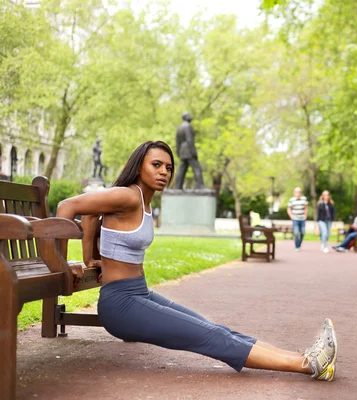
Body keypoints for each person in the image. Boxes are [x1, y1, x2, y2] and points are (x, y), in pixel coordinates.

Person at [56, 141, 338, 381]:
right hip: (121, 304)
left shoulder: (143, 200)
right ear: (139, 165)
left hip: (138, 293)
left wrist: (91, 256)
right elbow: (67, 207)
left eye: (168, 167)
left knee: (216, 329)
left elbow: (92, 214)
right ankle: (308, 365)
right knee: (210, 338)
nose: (164, 172)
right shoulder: (128, 195)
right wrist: (64, 262)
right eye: (156, 165)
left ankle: (304, 357)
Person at [174, 112, 205, 189]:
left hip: (182, 151)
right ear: (186, 117)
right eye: (189, 115)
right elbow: (189, 140)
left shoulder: (179, 127)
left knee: (181, 170)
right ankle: (200, 187)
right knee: (197, 168)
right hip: (189, 151)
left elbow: (177, 142)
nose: (191, 116)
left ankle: (177, 187)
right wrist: (193, 152)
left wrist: (178, 152)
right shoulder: (188, 126)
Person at [287, 187, 308, 251]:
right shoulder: (291, 200)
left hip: (302, 219)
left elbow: (306, 208)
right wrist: (291, 216)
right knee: (296, 233)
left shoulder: (304, 199)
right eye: (296, 192)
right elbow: (289, 208)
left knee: (303, 232)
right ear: (294, 193)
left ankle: (299, 244)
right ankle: (297, 246)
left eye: (299, 192)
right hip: (295, 219)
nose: (298, 193)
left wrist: (305, 215)